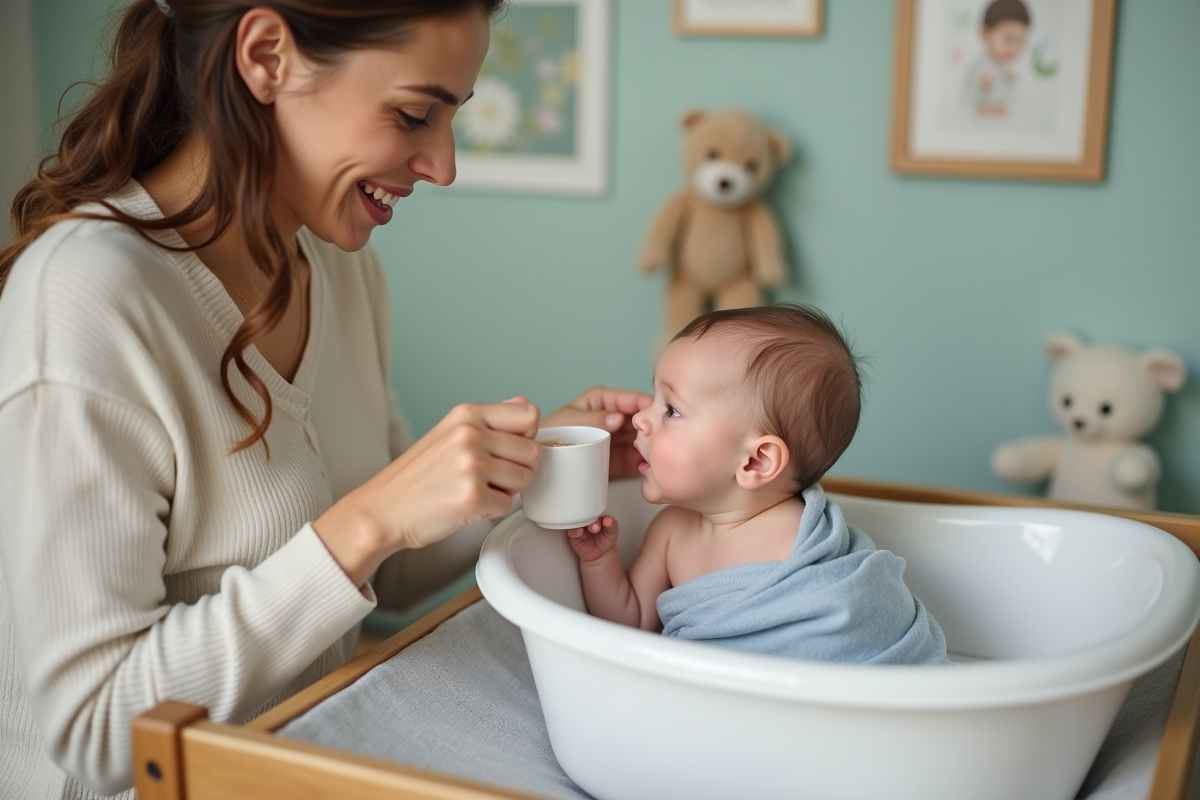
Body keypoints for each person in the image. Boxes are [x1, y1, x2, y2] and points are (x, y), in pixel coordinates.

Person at [0, 1, 650, 797]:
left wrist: (532, 465)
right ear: (267, 57)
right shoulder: (86, 294)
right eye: (414, 114)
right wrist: (366, 520)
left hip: (294, 766)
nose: (443, 166)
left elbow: (387, 576)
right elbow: (95, 728)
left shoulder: (341, 268)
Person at [567, 304, 949, 665]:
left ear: (756, 461)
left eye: (671, 410)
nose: (640, 418)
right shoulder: (669, 530)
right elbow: (632, 623)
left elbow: (849, 619)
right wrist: (599, 561)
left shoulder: (807, 544)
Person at [966, 0, 1032, 117]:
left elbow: (1009, 97)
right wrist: (981, 86)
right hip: (982, 118)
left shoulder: (1005, 67)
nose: (1014, 49)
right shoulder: (979, 65)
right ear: (986, 34)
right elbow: (967, 97)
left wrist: (1010, 81)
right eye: (1009, 41)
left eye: (1020, 42)